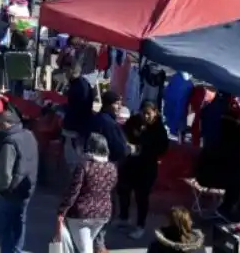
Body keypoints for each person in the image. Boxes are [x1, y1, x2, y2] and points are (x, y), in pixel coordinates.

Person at [0, 109, 39, 253]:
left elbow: (5, 175)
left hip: (8, 193)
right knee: (19, 226)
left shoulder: (9, 143)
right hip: (26, 189)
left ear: (5, 124)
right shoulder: (29, 135)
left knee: (5, 231)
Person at [56, 133, 117, 253]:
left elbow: (73, 191)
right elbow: (111, 187)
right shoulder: (111, 167)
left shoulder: (84, 166)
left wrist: (62, 211)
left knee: (85, 248)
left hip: (81, 215)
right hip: (103, 214)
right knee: (87, 242)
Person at [118, 100, 169, 239]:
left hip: (147, 168)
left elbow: (162, 149)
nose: (145, 116)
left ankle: (140, 226)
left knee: (141, 197)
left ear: (155, 113)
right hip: (130, 164)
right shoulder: (135, 121)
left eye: (148, 114)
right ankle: (124, 217)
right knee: (123, 190)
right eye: (143, 113)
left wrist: (143, 142)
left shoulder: (159, 130)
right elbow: (124, 131)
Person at [63, 63, 96, 171]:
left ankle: (73, 177)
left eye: (66, 71)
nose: (65, 73)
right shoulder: (82, 83)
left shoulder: (78, 87)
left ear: (71, 71)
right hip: (81, 124)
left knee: (73, 155)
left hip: (76, 126)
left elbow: (76, 107)